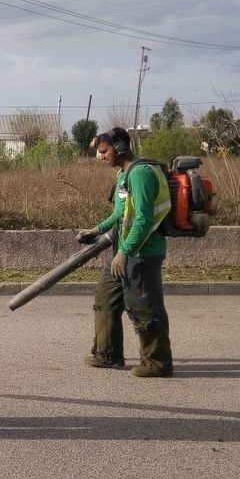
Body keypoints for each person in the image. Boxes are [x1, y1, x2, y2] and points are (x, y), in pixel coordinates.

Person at [76, 127, 173, 378]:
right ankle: (107, 355)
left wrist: (125, 252)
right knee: (105, 299)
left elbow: (143, 219)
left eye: (103, 151)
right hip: (121, 250)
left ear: (119, 148)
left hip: (142, 253)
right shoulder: (124, 174)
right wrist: (96, 230)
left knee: (144, 307)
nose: (100, 156)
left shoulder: (141, 174)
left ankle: (157, 363)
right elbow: (121, 214)